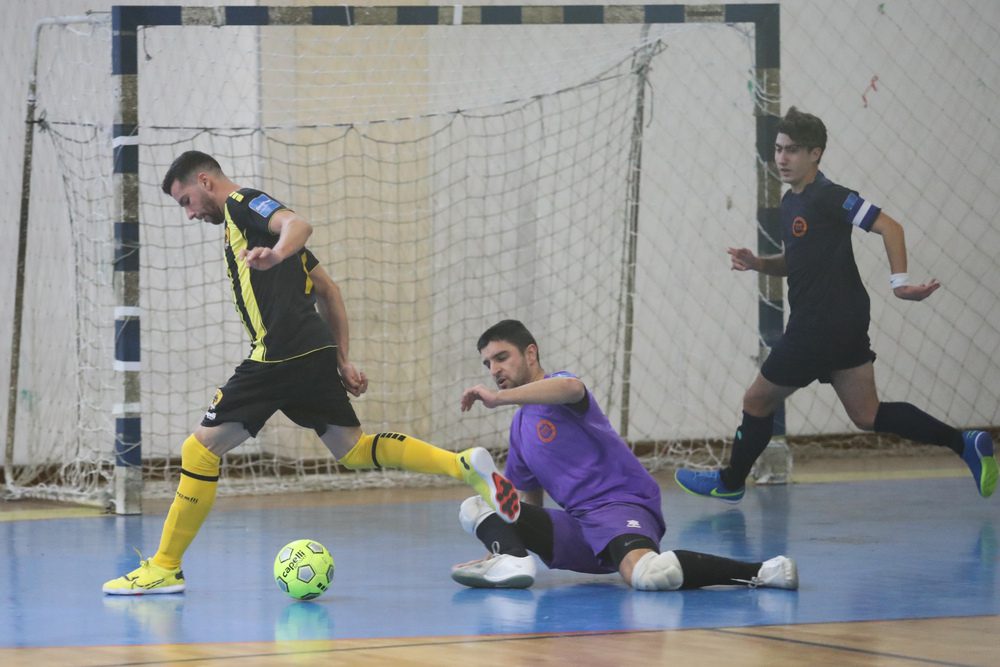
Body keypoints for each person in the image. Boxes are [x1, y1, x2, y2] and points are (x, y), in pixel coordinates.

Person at [103, 151, 519, 595]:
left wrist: (277, 253)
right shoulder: (242, 226)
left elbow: (298, 224)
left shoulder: (245, 203)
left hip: (278, 354)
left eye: (186, 200)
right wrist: (341, 358)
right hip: (311, 352)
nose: (188, 214)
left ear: (205, 181)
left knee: (199, 451)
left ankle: (166, 566)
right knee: (353, 449)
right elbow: (328, 289)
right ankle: (463, 465)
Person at [675, 107, 997, 504]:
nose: (782, 158)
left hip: (818, 325)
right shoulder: (790, 203)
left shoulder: (830, 196)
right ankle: (965, 443)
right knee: (867, 414)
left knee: (756, 400)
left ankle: (730, 481)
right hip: (842, 322)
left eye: (792, 150)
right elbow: (798, 261)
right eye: (778, 149)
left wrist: (899, 284)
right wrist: (759, 263)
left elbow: (889, 227)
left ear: (816, 153)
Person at [450, 319, 797, 591]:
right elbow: (526, 503)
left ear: (530, 354)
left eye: (501, 357)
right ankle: (509, 561)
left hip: (620, 507)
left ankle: (764, 571)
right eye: (487, 364)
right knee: (476, 507)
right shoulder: (520, 428)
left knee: (650, 575)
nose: (494, 370)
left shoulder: (559, 386)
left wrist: (498, 399)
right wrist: (505, 543)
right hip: (578, 527)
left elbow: (572, 389)